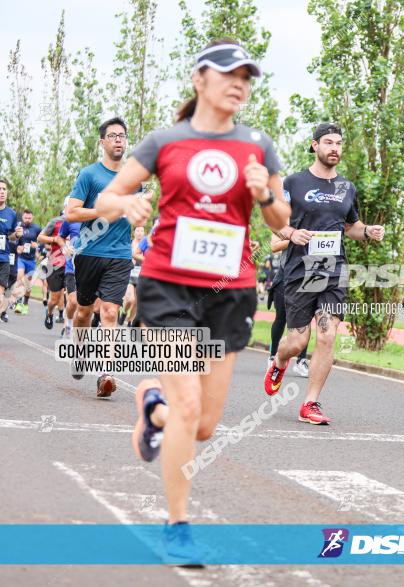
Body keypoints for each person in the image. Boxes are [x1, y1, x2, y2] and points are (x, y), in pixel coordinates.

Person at [94, 39, 290, 563]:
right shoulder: (166, 141)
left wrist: (265, 194)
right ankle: (177, 526)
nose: (239, 84)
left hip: (230, 289)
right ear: (200, 78)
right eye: (229, 73)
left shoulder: (257, 146)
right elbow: (108, 195)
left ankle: (150, 408)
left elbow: (280, 222)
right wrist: (126, 201)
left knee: (202, 424)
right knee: (187, 405)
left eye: (246, 77)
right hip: (168, 284)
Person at [265, 123, 385, 424]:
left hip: (332, 269)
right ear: (314, 145)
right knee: (297, 342)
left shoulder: (347, 187)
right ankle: (280, 360)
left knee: (328, 334)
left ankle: (310, 403)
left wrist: (368, 231)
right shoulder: (293, 182)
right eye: (328, 142)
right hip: (299, 270)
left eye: (339, 143)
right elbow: (273, 221)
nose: (335, 148)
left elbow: (350, 227)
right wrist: (291, 234)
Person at [65, 116, 138, 397]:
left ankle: (105, 374)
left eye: (122, 135)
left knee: (110, 312)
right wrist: (103, 210)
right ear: (102, 142)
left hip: (120, 255)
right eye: (113, 135)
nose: (119, 139)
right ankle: (79, 351)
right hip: (89, 253)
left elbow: (135, 215)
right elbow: (72, 212)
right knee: (83, 312)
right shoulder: (89, 175)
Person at [267, 230, 309, 377]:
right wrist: (295, 238)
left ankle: (301, 361)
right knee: (281, 317)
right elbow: (274, 246)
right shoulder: (286, 223)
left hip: (308, 276)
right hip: (286, 276)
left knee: (305, 320)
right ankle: (272, 357)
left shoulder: (318, 222)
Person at [37, 211, 68, 330]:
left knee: (71, 298)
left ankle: (67, 327)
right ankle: (49, 313)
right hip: (55, 264)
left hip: (72, 265)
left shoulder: (82, 222)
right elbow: (40, 237)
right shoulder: (56, 222)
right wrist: (55, 239)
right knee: (55, 298)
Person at [0, 178, 22, 323]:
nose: (1, 192)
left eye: (4, 189)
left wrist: (17, 234)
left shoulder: (11, 214)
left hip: (3, 258)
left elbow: (12, 237)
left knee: (1, 292)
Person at [11, 210, 42, 315]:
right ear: (22, 218)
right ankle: (19, 303)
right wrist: (18, 247)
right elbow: (13, 241)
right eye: (25, 218)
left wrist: (37, 246)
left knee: (28, 285)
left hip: (31, 260)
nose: (27, 220)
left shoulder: (37, 228)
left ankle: (25, 303)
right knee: (20, 277)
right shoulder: (19, 228)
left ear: (32, 218)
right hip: (21, 258)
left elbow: (42, 242)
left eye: (29, 218)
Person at [121, 225, 146, 326]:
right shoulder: (129, 243)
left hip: (141, 275)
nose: (140, 232)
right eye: (138, 230)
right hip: (129, 274)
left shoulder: (146, 244)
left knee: (136, 301)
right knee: (130, 299)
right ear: (134, 233)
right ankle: (124, 312)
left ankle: (130, 320)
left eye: (142, 231)